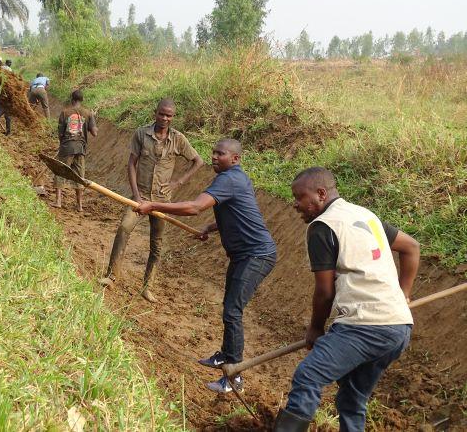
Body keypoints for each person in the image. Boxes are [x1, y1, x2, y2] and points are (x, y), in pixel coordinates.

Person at [273, 167, 419, 432]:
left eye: (299, 197)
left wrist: (316, 329)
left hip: (365, 326)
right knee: (352, 400)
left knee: (308, 376)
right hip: (398, 328)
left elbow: (325, 291)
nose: (296, 205)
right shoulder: (365, 215)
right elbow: (411, 247)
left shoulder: (323, 226)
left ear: (320, 194)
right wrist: (403, 294)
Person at [135, 138, 276, 393]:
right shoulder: (232, 178)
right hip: (244, 254)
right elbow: (235, 212)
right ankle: (225, 354)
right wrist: (211, 228)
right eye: (213, 152)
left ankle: (235, 377)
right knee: (229, 307)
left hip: (256, 255)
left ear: (235, 159)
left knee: (233, 310)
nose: (213, 156)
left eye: (220, 154)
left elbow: (195, 207)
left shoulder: (230, 179)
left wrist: (153, 205)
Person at [99, 99, 204, 303]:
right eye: (162, 114)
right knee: (124, 228)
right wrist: (137, 196)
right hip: (141, 197)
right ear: (155, 113)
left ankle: (147, 287)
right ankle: (112, 276)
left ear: (173, 117)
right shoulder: (141, 134)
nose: (165, 118)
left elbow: (198, 161)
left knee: (156, 244)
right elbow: (131, 164)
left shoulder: (178, 139)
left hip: (162, 200)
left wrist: (177, 183)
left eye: (169, 115)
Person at [53, 89, 98, 211]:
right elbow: (94, 133)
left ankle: (58, 201)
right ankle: (79, 205)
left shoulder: (65, 112)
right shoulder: (88, 113)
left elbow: (60, 133)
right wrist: (92, 118)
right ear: (82, 100)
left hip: (67, 147)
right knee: (79, 176)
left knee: (60, 172)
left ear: (72, 100)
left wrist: (62, 144)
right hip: (80, 148)